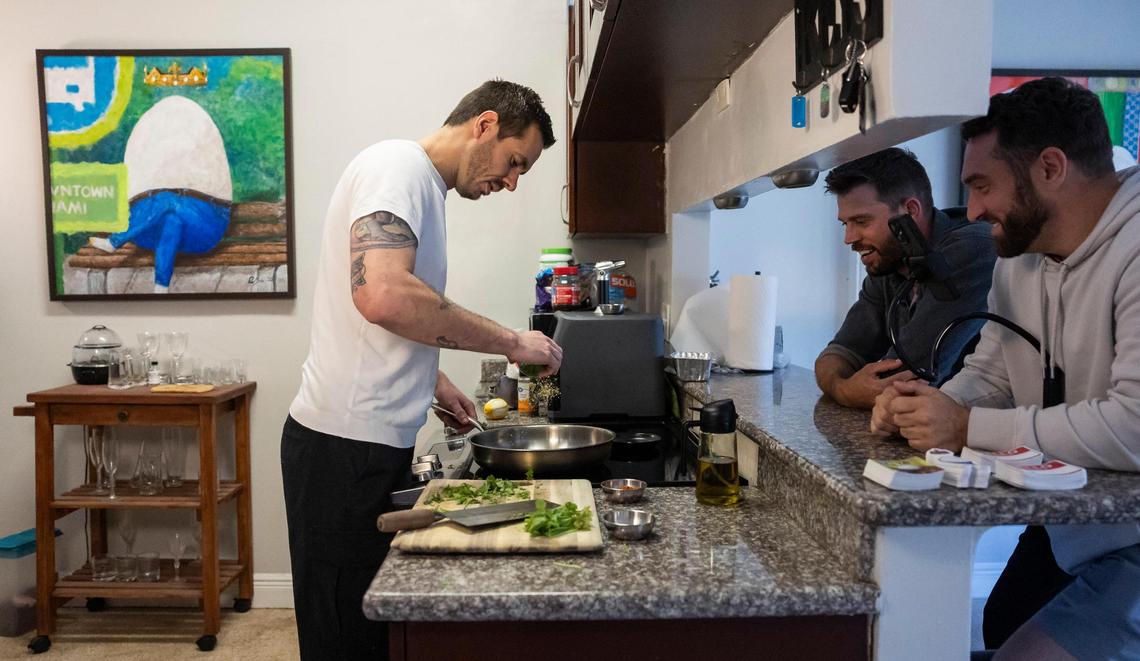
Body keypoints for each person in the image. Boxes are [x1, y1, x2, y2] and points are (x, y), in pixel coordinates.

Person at [281, 80, 563, 661]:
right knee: (345, 637)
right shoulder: (398, 170)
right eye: (515, 163)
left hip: (360, 445)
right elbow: (382, 296)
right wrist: (512, 342)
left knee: (368, 629)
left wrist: (427, 376)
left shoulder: (420, 187)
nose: (511, 183)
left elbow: (381, 314)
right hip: (342, 450)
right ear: (484, 125)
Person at [872, 77, 1140, 660]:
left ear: (1050, 167)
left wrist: (967, 429)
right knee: (1000, 624)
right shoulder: (1017, 260)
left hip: (1133, 537)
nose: (971, 210)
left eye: (982, 185)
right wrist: (927, 408)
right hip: (1071, 527)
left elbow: (1134, 428)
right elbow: (992, 376)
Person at [814, 147, 996, 408]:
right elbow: (839, 352)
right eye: (846, 224)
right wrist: (843, 388)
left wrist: (845, 387)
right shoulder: (890, 262)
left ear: (910, 210)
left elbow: (904, 378)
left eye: (862, 221)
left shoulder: (971, 248)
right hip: (924, 431)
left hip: (986, 438)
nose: (849, 238)